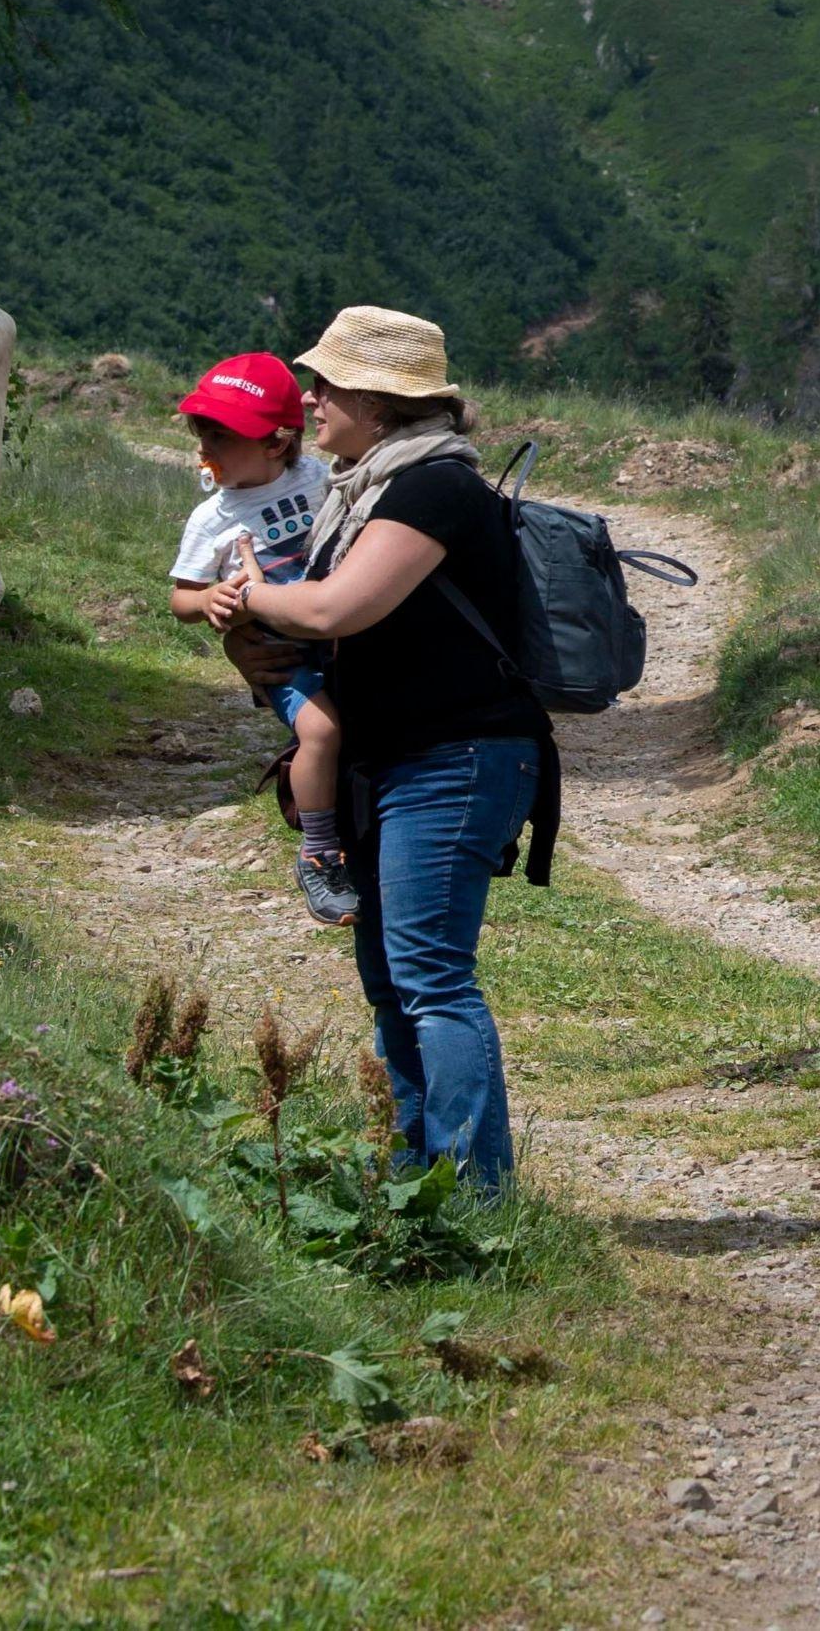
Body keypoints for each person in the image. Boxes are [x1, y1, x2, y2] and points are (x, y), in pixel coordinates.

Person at [205, 307, 551, 1194]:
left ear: (376, 399)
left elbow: (332, 611)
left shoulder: (434, 490)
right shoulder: (359, 487)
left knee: (430, 977)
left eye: (326, 386)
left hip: (455, 756)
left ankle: (474, 1196)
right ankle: (414, 1181)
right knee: (393, 982)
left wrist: (249, 597)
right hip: (389, 760)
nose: (311, 400)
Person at [166, 352, 351, 925]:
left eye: (220, 438)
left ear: (276, 443)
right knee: (321, 729)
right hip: (281, 650)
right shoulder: (212, 519)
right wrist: (210, 602)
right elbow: (181, 598)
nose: (206, 451)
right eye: (202, 436)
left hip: (338, 629)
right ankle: (319, 851)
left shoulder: (321, 478)